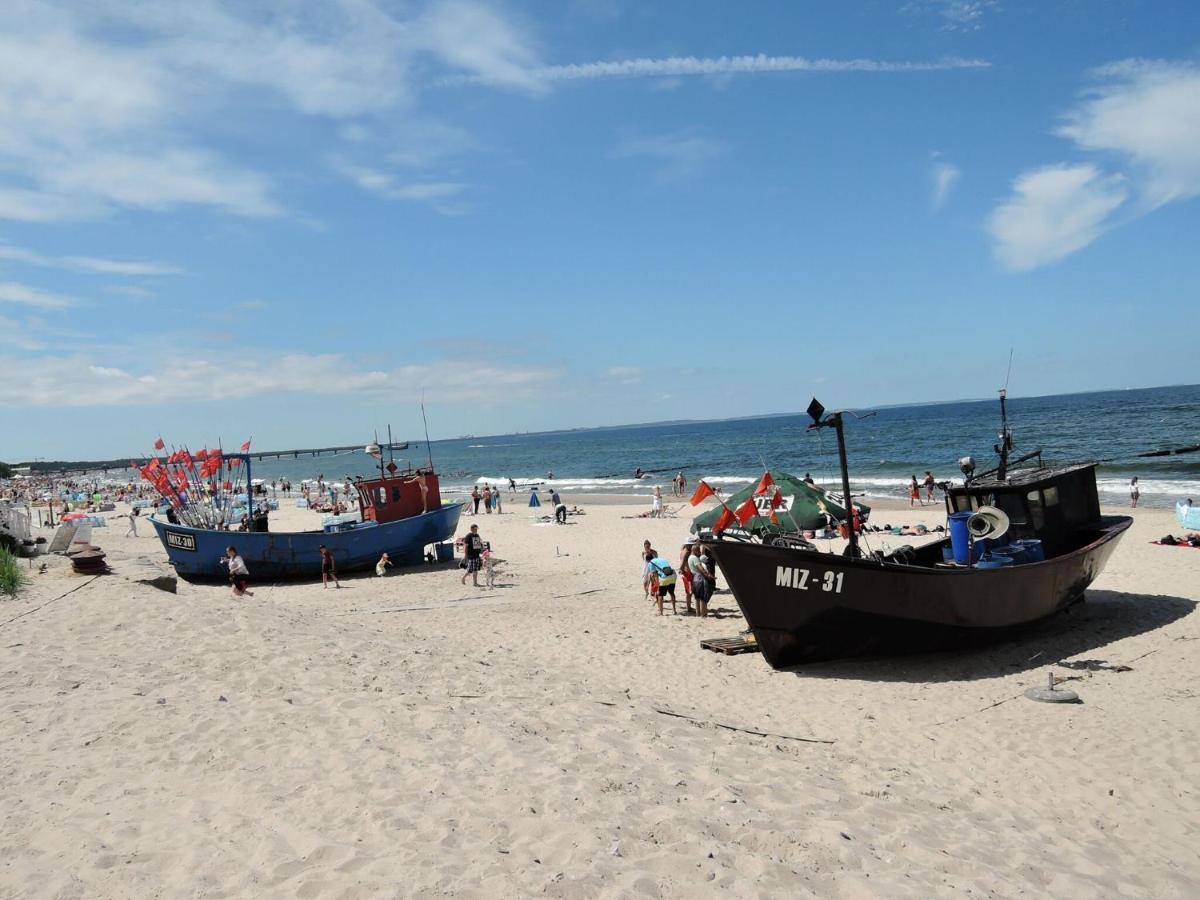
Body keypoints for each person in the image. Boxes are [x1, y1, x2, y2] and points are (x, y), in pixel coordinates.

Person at [689, 543, 715, 618]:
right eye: (698, 550)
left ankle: (698, 614)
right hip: (700, 578)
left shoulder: (690, 557)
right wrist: (709, 576)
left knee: (697, 598)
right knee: (702, 598)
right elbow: (702, 569)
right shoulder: (695, 558)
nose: (700, 552)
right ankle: (703, 614)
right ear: (694, 550)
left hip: (695, 578)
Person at [679, 540, 696, 613]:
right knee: (690, 591)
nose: (692, 546)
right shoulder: (687, 552)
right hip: (688, 573)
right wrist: (681, 568)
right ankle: (689, 608)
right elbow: (683, 562)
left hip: (685, 573)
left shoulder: (682, 550)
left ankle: (689, 607)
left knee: (688, 591)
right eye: (691, 545)